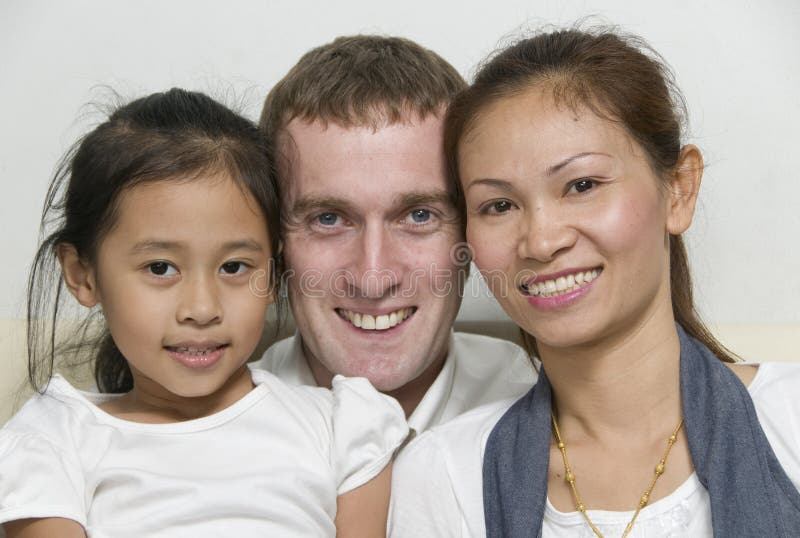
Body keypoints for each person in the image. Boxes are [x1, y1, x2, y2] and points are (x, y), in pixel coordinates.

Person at [389, 26, 800, 537]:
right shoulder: (447, 475)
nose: (540, 241)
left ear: (678, 189)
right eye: (499, 206)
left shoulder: (790, 417)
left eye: (582, 185)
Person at [0, 88, 407, 538]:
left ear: (273, 274)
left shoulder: (341, 426)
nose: (202, 309)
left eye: (234, 267)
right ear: (83, 275)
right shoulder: (52, 442)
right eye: (160, 268)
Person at [257, 35, 536, 435]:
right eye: (328, 219)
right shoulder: (206, 437)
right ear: (276, 245)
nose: (374, 277)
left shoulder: (550, 411)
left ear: (471, 234)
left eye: (419, 215)